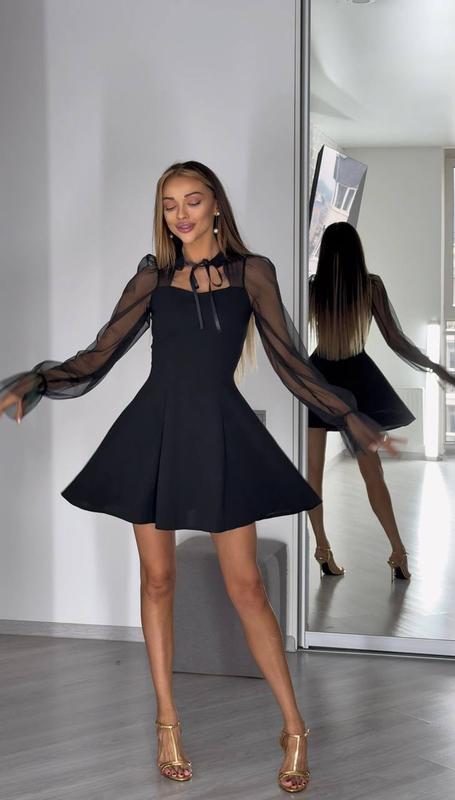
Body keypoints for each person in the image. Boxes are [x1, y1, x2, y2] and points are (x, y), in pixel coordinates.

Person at [0, 162, 397, 794]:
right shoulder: (151, 278)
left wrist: (348, 415)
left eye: (192, 201)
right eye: (169, 204)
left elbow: (290, 360)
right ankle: (166, 721)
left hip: (219, 434)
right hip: (153, 434)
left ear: (216, 206)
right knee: (157, 580)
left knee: (248, 588)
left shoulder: (252, 273)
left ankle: (294, 727)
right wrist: (38, 381)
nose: (180, 214)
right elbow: (100, 354)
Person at [307, 221, 455, 583]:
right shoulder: (369, 285)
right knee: (373, 473)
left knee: (312, 474)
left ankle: (323, 548)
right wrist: (434, 365)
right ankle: (398, 553)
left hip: (320, 377)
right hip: (357, 379)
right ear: (356, 251)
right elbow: (395, 338)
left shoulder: (314, 288)